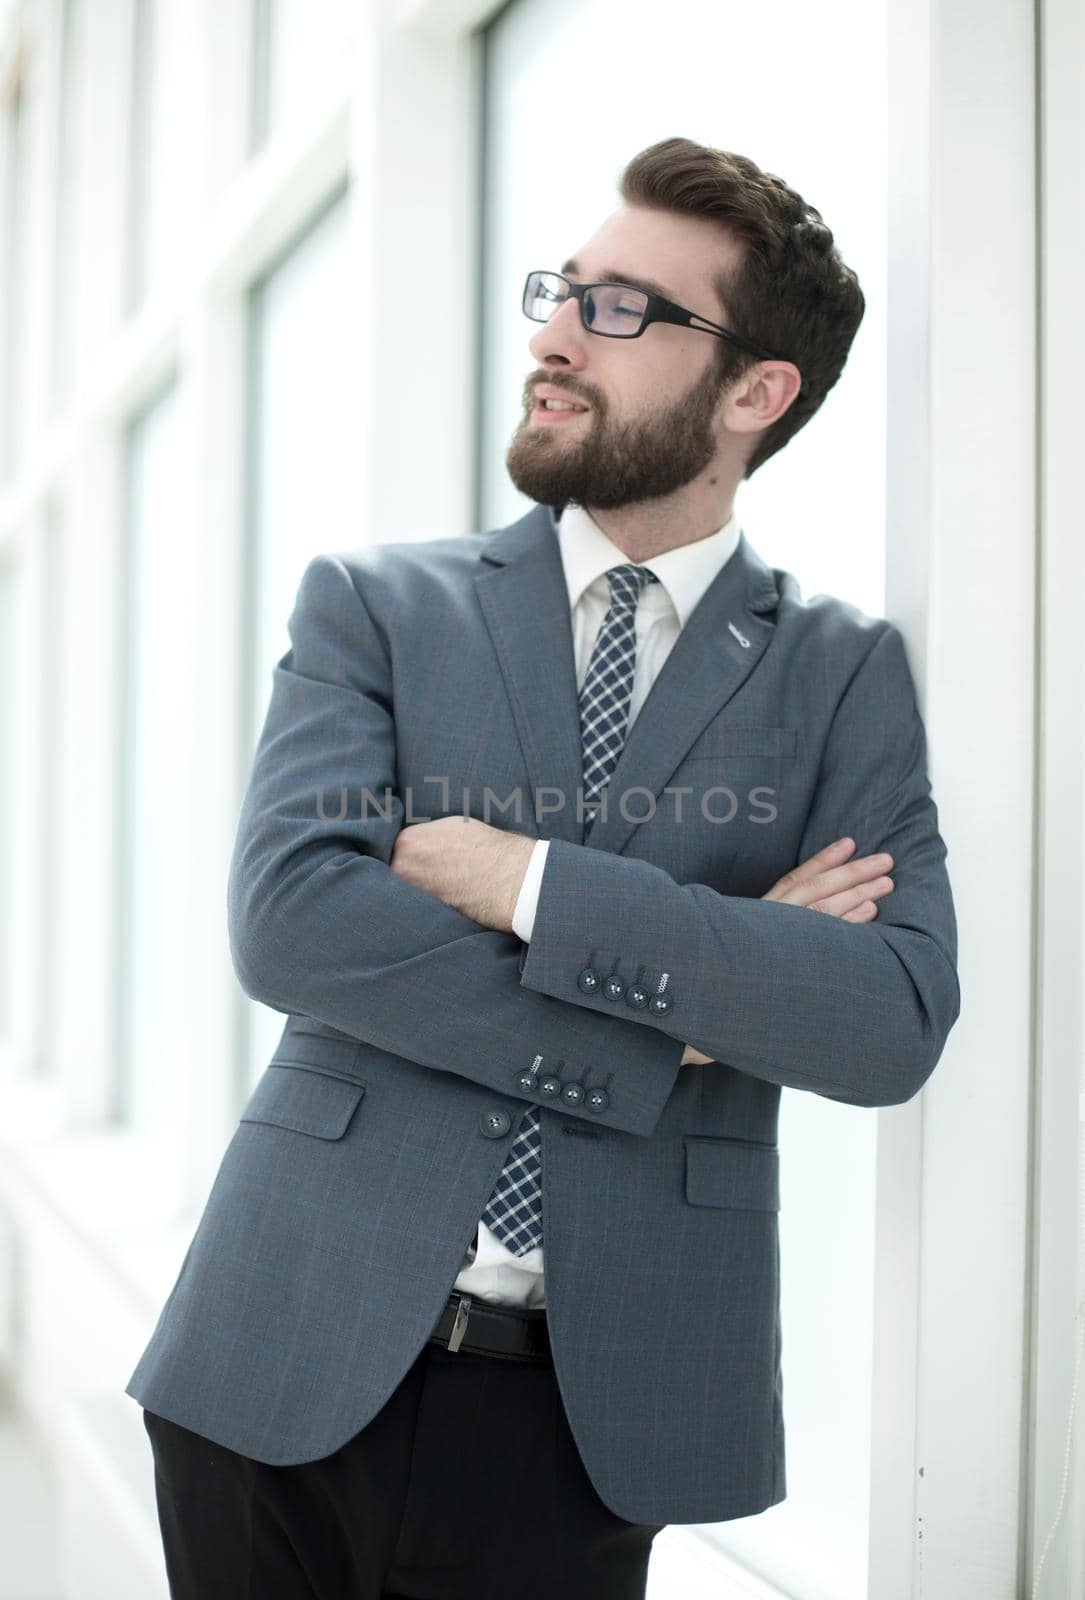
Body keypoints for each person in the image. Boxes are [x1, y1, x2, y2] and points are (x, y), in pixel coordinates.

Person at [126, 135, 960, 1599]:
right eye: (564, 291)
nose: (556, 336)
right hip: (278, 1353)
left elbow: (887, 1018)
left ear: (756, 392)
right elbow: (293, 926)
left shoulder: (840, 675)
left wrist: (530, 888)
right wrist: (693, 999)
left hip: (598, 1414)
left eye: (624, 309)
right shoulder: (378, 608)